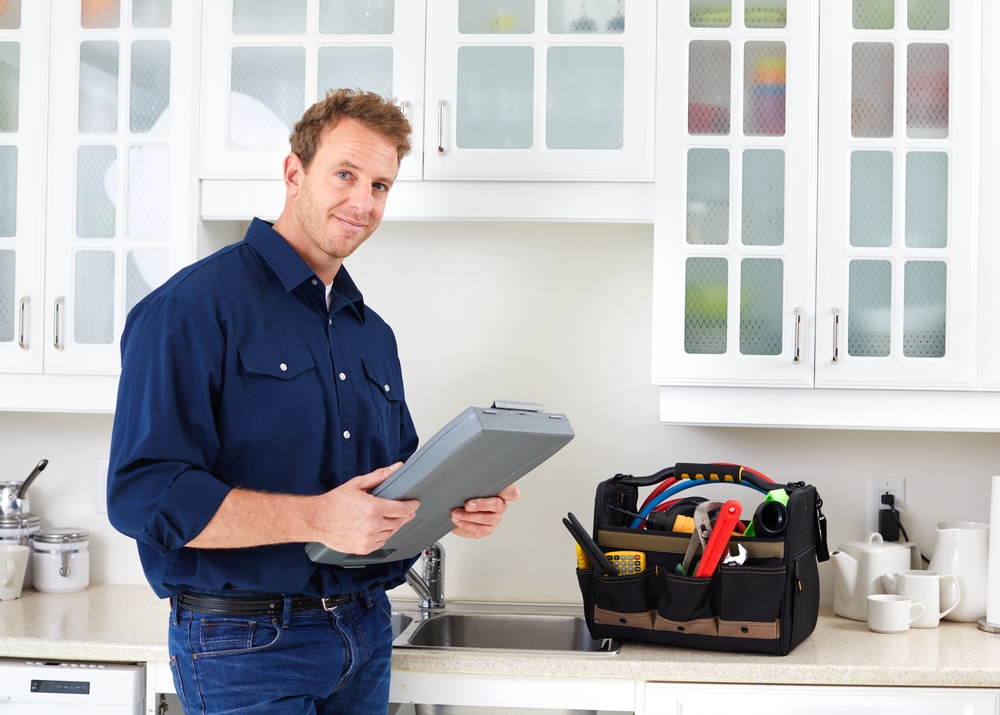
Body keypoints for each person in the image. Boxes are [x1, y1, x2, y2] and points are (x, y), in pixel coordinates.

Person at [107, 89, 519, 715]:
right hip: (244, 646)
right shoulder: (190, 309)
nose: (363, 201)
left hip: (364, 634)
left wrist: (457, 503)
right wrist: (315, 519)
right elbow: (143, 494)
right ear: (294, 172)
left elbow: (393, 487)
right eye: (346, 175)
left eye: (381, 185)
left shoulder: (370, 333)